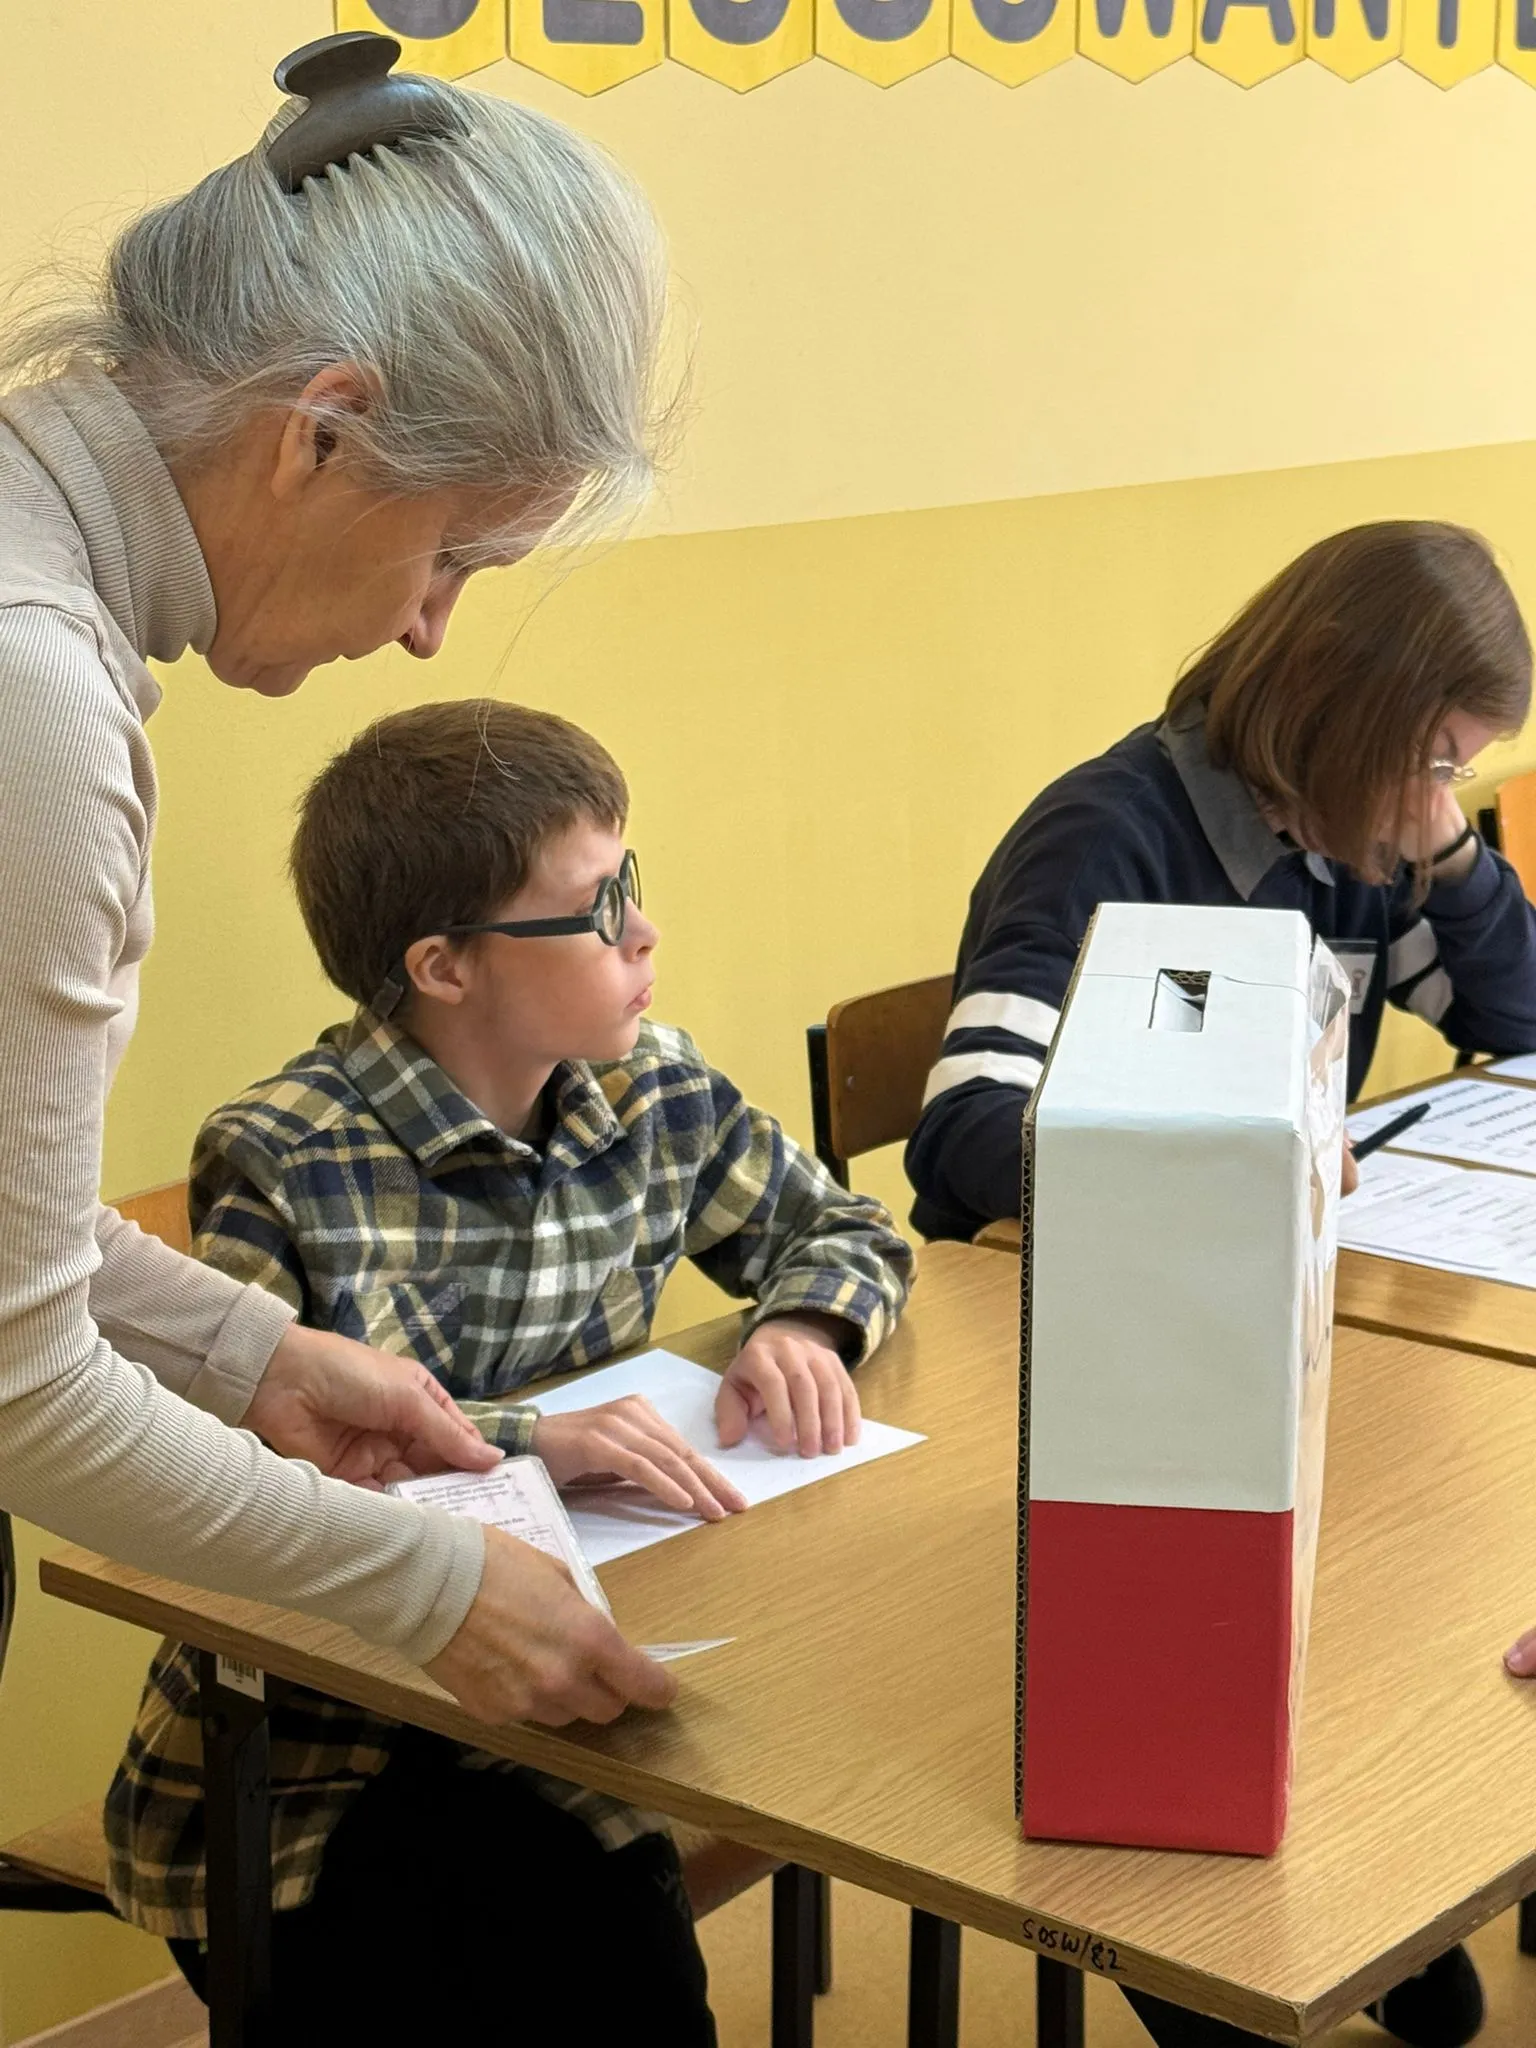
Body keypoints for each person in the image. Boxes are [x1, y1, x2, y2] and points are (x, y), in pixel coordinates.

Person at [0, 32, 686, 1732]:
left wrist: (252, 1355)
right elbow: (17, 1387)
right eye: (454, 548)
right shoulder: (32, 697)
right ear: (323, 433)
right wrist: (435, 1587)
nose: (428, 627)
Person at [106, 698, 913, 2042]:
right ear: (444, 965)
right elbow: (232, 1463)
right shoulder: (282, 1157)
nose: (644, 935)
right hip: (324, 1760)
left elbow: (841, 1228)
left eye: (632, 884)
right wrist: (533, 1435)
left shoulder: (653, 1086)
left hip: (594, 1683)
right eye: (598, 908)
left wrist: (804, 1325)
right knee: (588, 1961)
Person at [907, 521, 1535, 2048]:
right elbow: (973, 1130)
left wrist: (1449, 850)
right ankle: (1221, 1947)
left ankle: (1360, 1882)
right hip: (1085, 1355)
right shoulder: (1113, 842)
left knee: (1396, 1564)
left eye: (1467, 773)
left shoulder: (1351, 840)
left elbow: (1513, 1016)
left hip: (1279, 1325)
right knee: (1258, 1600)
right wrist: (1230, 1180)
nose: (1441, 803)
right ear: (1337, 716)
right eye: (1434, 764)